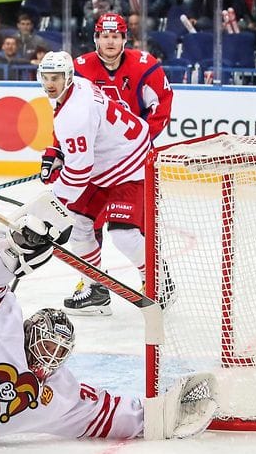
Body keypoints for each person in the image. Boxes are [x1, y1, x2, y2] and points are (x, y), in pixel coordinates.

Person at [0, 224, 217, 447]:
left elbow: (105, 415)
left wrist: (161, 415)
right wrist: (12, 246)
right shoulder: (7, 328)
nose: (49, 358)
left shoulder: (60, 396)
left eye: (59, 353)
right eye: (46, 345)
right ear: (31, 333)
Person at [37, 50, 164, 316]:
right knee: (80, 227)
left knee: (123, 234)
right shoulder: (78, 88)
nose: (50, 84)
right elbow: (81, 145)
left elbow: (80, 172)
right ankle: (96, 288)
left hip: (132, 162)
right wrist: (56, 152)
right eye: (46, 77)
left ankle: (158, 282)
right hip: (107, 162)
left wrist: (52, 205)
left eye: (56, 78)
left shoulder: (75, 113)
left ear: (68, 77)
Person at [74, 13, 173, 141]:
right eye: (105, 36)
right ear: (97, 39)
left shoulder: (146, 66)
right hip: (94, 147)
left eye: (115, 36)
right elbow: (67, 111)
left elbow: (162, 105)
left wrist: (143, 140)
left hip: (133, 148)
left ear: (124, 39)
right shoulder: (79, 68)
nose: (110, 42)